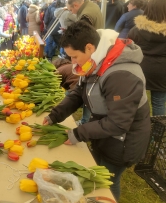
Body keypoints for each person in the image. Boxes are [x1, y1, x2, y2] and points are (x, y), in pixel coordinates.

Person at [43, 21, 150, 201]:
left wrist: (79, 133)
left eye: (75, 57)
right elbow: (78, 93)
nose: (72, 62)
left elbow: (118, 123)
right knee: (94, 174)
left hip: (123, 141)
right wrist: (55, 115)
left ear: (89, 47)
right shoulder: (96, 60)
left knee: (107, 183)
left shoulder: (121, 74)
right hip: (106, 133)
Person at [128, 0, 166, 116]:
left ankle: (137, 128)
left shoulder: (136, 29)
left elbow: (129, 49)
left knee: (136, 101)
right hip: (162, 71)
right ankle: (157, 132)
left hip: (139, 68)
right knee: (159, 102)